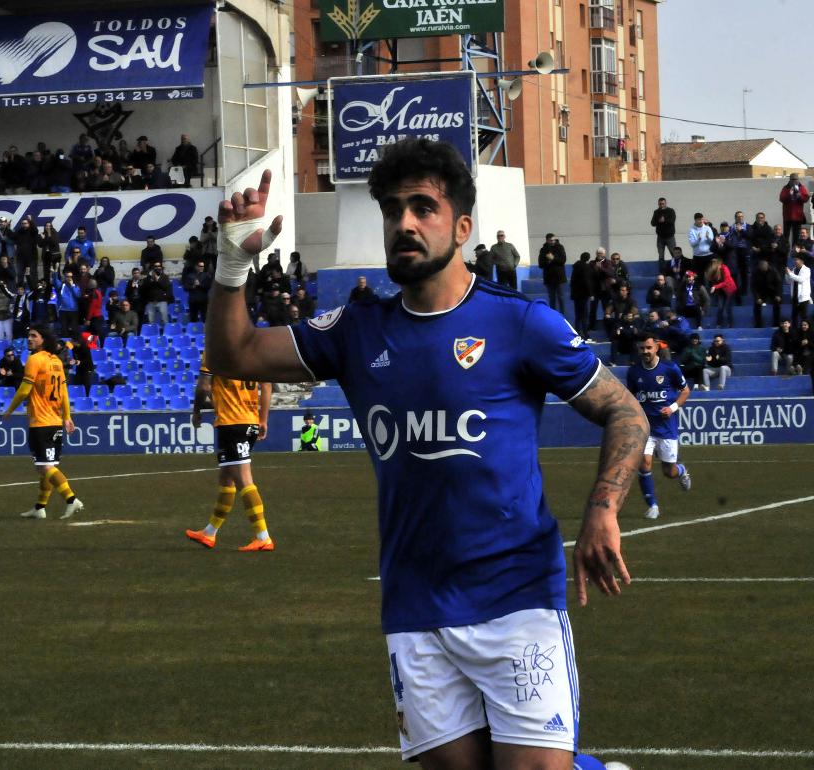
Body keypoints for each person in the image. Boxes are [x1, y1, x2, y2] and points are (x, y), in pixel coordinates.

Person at [203, 145, 646, 769]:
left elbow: (626, 412)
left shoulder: (521, 323)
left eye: (424, 208)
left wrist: (603, 509)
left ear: (462, 228)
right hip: (414, 604)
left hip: (516, 596)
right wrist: (230, 266)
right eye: (393, 210)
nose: (405, 223)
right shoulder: (355, 330)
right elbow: (234, 355)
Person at [185, 357, 273, 551]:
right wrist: (263, 419)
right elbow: (266, 385)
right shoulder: (252, 352)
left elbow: (203, 388)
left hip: (232, 423)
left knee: (243, 479)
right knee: (227, 478)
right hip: (249, 421)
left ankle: (263, 537)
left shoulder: (214, 352)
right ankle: (209, 533)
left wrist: (197, 410)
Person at [0, 326, 85, 520]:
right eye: (28, 335)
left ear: (43, 340)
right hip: (54, 421)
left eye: (33, 336)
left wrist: (9, 410)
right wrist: (67, 416)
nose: (29, 339)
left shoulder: (34, 359)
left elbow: (23, 390)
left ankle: (72, 500)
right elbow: (63, 392)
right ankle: (40, 507)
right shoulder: (56, 361)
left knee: (45, 467)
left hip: (41, 422)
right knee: (45, 466)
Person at [626, 334, 692, 520]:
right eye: (642, 348)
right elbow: (631, 397)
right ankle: (652, 505)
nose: (645, 352)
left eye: (648, 348)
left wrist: (672, 408)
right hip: (645, 427)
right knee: (644, 463)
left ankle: (681, 471)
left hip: (666, 427)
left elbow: (685, 391)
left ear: (656, 348)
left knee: (668, 472)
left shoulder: (670, 368)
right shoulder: (634, 372)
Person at [537, 233, 567, 314]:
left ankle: (562, 315)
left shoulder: (560, 247)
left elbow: (563, 260)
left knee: (561, 297)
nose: (553, 242)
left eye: (554, 240)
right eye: (551, 240)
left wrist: (553, 258)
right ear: (547, 240)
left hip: (559, 277)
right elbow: (540, 264)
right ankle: (553, 314)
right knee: (552, 298)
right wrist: (548, 261)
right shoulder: (543, 250)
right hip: (549, 278)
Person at [779, 173, 809, 250]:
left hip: (798, 216)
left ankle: (794, 252)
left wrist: (800, 196)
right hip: (787, 216)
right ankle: (785, 251)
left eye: (796, 179)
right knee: (786, 235)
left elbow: (806, 199)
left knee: (796, 236)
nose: (795, 181)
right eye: (793, 180)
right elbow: (781, 199)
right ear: (790, 180)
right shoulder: (785, 188)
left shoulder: (801, 187)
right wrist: (789, 194)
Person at [650, 196, 678, 270]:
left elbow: (672, 221)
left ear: (665, 203)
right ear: (658, 204)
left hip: (670, 237)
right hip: (660, 237)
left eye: (663, 203)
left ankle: (676, 269)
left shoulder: (671, 211)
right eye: (660, 204)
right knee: (661, 255)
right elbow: (652, 223)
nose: (661, 205)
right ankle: (662, 271)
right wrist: (659, 221)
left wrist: (664, 220)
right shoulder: (656, 212)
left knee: (673, 253)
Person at [785, 254, 811, 323]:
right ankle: (794, 331)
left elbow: (801, 279)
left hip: (803, 298)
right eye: (795, 260)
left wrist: (790, 274)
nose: (795, 261)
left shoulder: (807, 270)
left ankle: (805, 332)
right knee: (794, 317)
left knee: (804, 317)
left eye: (797, 260)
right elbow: (789, 281)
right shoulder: (794, 269)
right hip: (795, 297)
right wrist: (787, 274)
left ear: (802, 261)